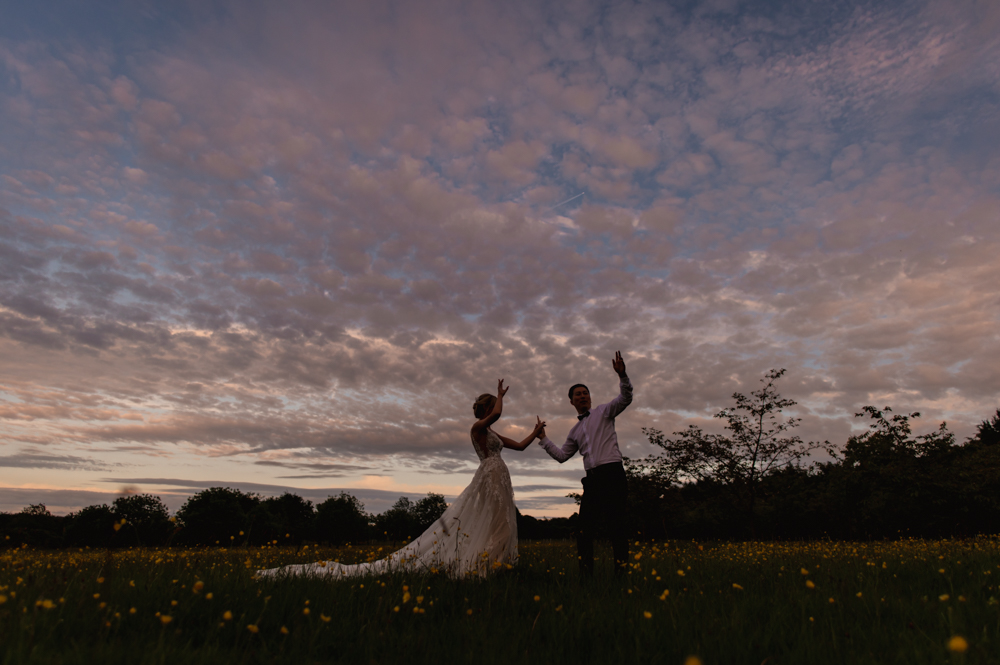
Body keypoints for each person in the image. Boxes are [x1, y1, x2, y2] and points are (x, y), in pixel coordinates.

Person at [256, 379, 545, 579]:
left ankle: (493, 567)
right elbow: (497, 414)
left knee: (502, 522)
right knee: (501, 525)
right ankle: (482, 570)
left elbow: (519, 446)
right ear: (486, 409)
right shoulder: (478, 427)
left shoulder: (492, 434)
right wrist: (501, 397)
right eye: (493, 406)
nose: (496, 410)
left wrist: (536, 431)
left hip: (500, 475)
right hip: (490, 475)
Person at [536, 351, 632, 577]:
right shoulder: (575, 431)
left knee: (617, 527)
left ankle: (621, 577)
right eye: (578, 394)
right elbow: (561, 456)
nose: (582, 396)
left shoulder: (604, 412)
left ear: (590, 397)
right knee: (584, 530)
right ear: (571, 401)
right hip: (592, 480)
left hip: (612, 474)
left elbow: (625, 398)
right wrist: (543, 439)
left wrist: (623, 376)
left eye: (585, 393)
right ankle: (586, 577)